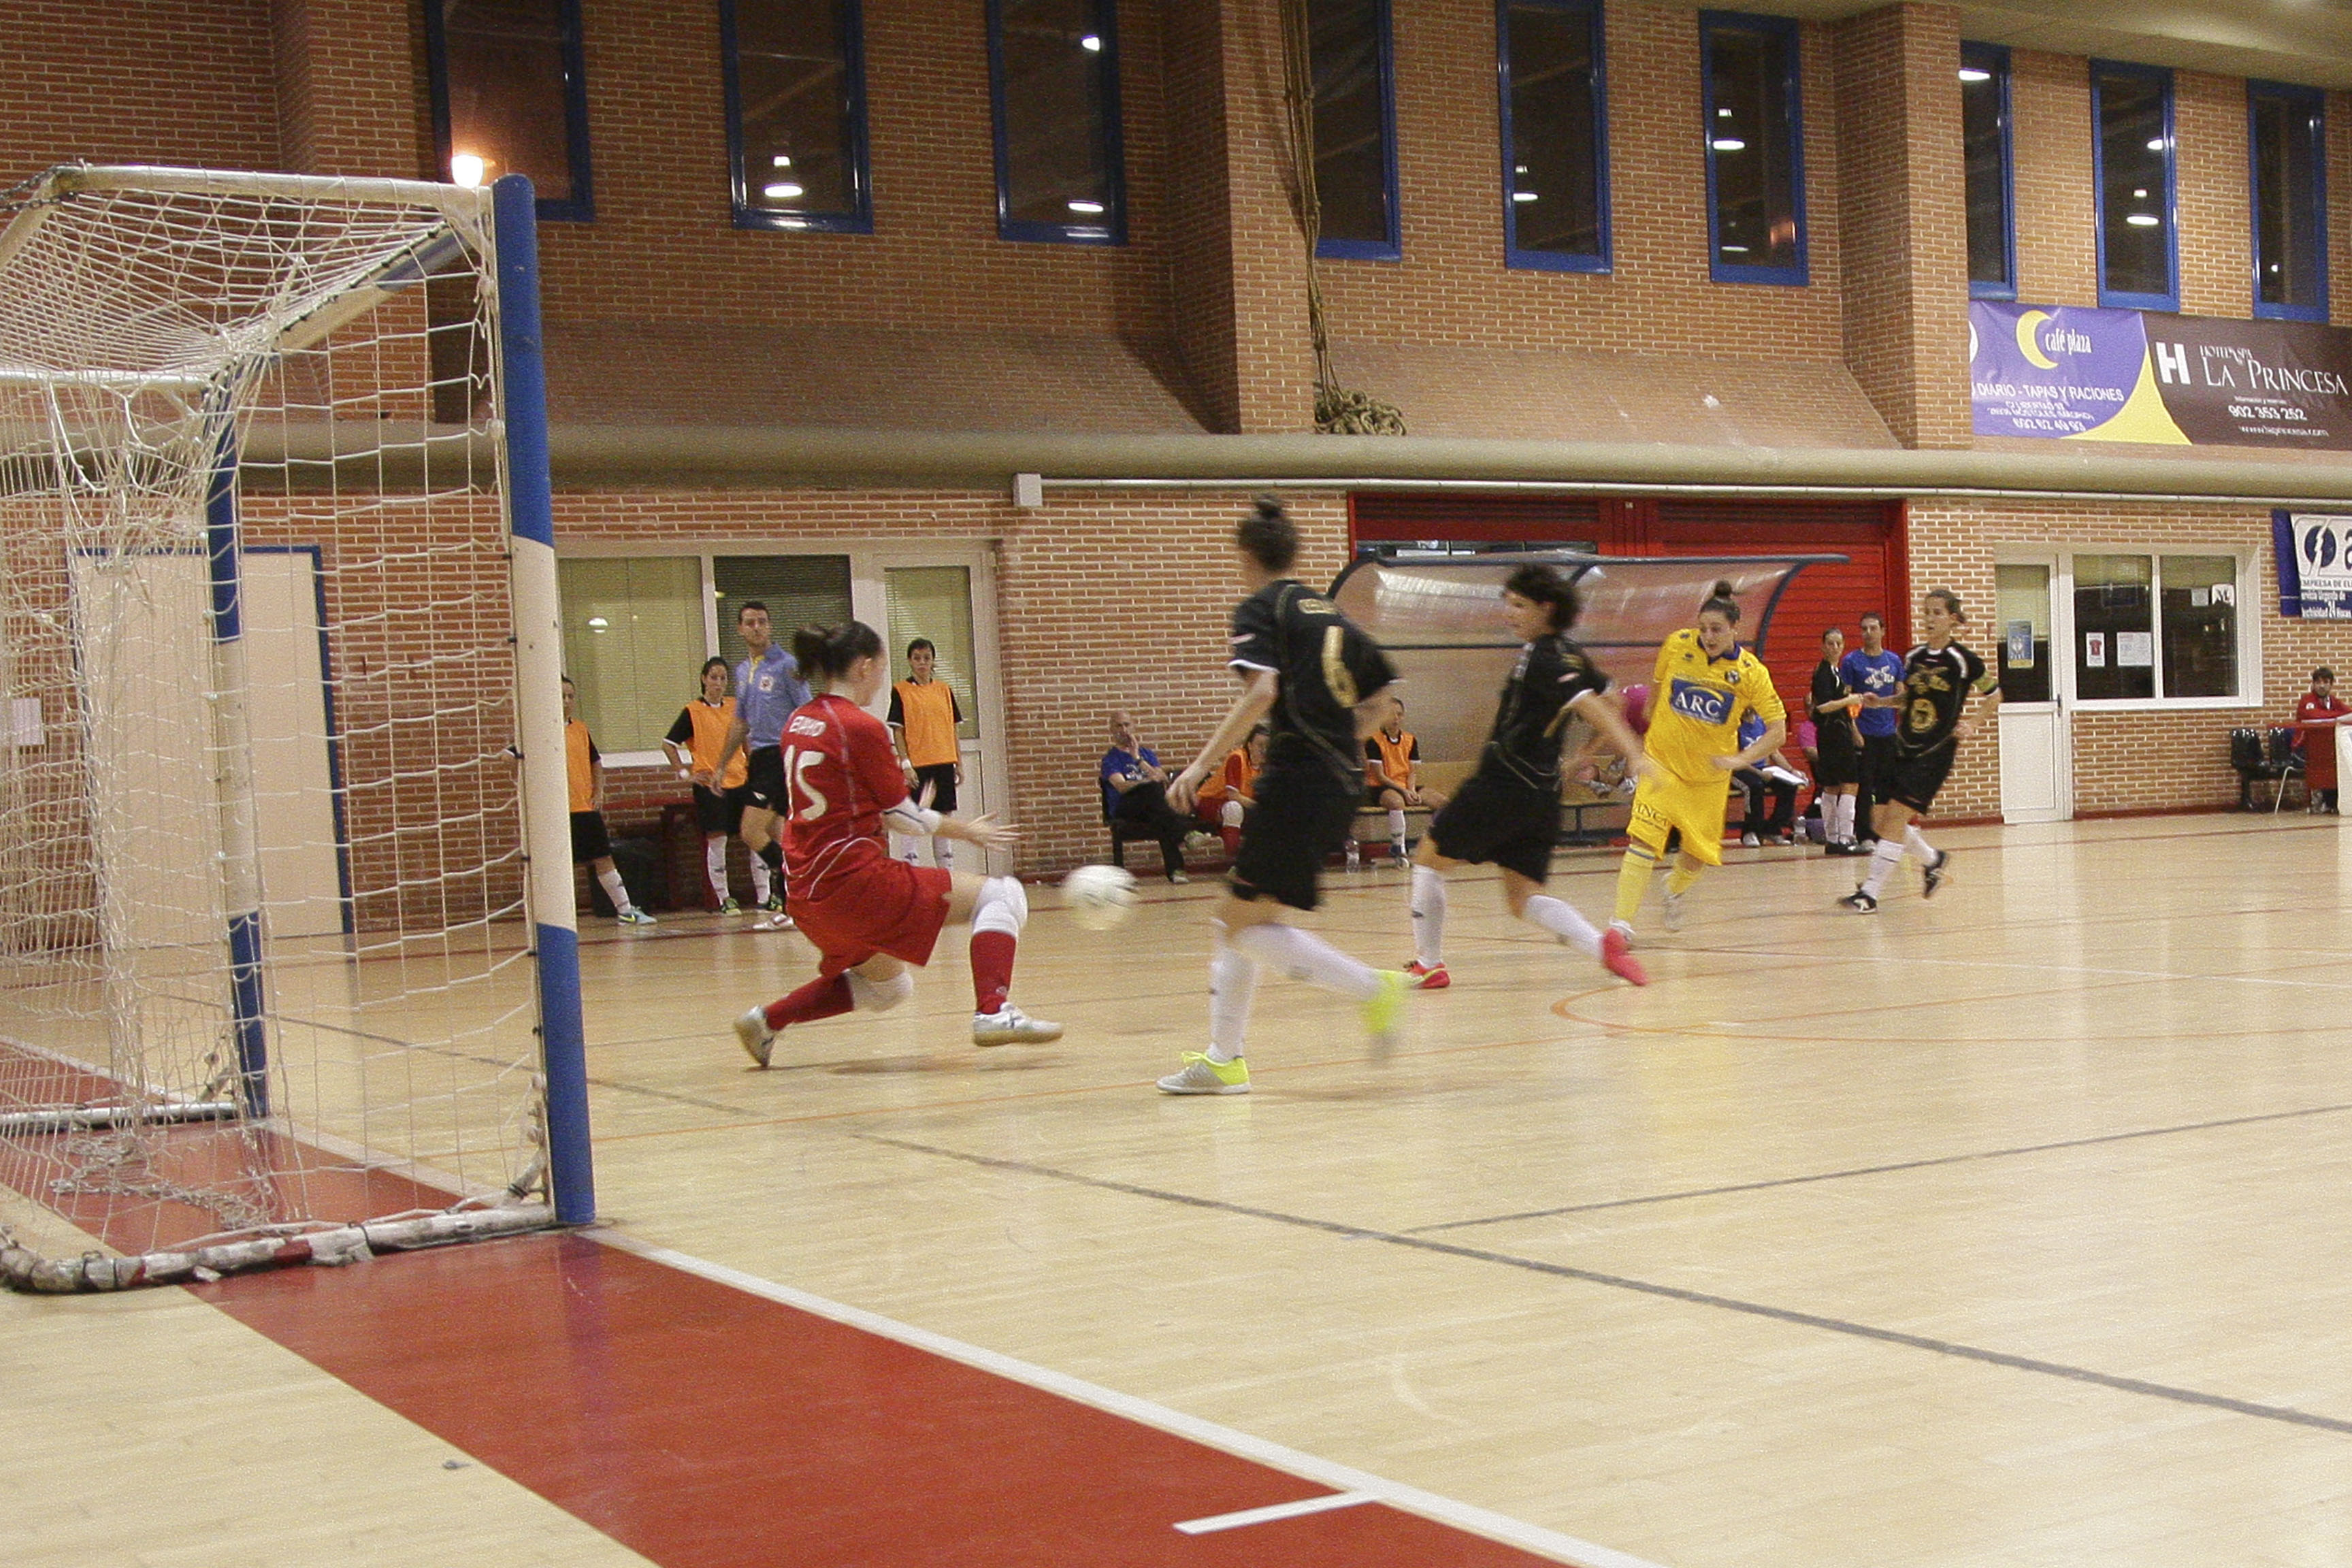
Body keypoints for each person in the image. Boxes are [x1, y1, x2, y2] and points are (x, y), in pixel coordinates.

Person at [1160, 497, 1406, 1095]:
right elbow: (1382, 702)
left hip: (1299, 780)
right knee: (1244, 916)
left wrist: (1200, 765)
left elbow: (1261, 692)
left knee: (1237, 922)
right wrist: (1338, 741)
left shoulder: (1261, 608)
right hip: (1339, 779)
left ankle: (1371, 989)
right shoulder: (1331, 615)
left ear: (1246, 557)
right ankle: (1225, 1060)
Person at [732, 621, 1060, 1064]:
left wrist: (897, 808)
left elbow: (864, 806)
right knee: (1003, 894)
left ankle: (766, 1021)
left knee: (889, 988)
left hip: (806, 893)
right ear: (865, 667)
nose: (880, 681)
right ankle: (993, 1010)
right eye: (882, 669)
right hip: (853, 882)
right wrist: (966, 830)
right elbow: (904, 818)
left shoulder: (799, 721)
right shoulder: (858, 725)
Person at [1405, 564, 1654, 991]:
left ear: (1547, 608)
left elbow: (1594, 708)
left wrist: (1633, 753)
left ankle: (1429, 965)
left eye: (1519, 605)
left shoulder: (1546, 658)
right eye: (1508, 603)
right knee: (1523, 898)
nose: (1509, 613)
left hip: (1502, 784)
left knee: (1428, 860)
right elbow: (1614, 700)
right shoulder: (1571, 653)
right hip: (1541, 795)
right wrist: (1582, 755)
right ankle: (1603, 948)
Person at [1607, 581, 1786, 945]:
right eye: (1703, 628)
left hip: (1707, 777)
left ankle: (1673, 889)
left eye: (1717, 629)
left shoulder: (1751, 672)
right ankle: (1620, 925)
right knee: (1643, 840)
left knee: (1697, 856)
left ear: (1735, 629)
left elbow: (1778, 731)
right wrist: (1648, 725)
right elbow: (1658, 686)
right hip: (1663, 764)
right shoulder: (1677, 644)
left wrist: (1741, 758)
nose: (1708, 636)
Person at [1838, 588, 2001, 913]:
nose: (1929, 618)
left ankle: (1869, 894)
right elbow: (1909, 698)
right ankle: (1933, 859)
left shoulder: (1963, 660)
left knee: (1895, 821)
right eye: (1926, 611)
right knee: (1879, 821)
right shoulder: (1913, 657)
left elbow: (1995, 695)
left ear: (1952, 619)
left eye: (1937, 612)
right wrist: (1882, 702)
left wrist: (1972, 723)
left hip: (1934, 753)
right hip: (1903, 746)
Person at [716, 600, 811, 930]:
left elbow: (806, 710)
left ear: (769, 626)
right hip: (758, 757)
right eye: (750, 622)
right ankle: (793, 905)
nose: (756, 628)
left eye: (762, 622)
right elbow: (740, 722)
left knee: (750, 831)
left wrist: (805, 755)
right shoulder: (744, 671)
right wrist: (721, 765)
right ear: (740, 629)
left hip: (779, 755)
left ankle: (798, 888)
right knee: (778, 834)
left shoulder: (787, 666)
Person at [662, 656, 753, 913]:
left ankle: (767, 895)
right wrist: (685, 773)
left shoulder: (735, 706)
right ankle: (724, 898)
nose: (718, 683)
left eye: (723, 678)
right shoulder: (693, 711)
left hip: (740, 780)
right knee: (718, 840)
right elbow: (668, 744)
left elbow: (745, 739)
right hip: (710, 784)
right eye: (714, 677)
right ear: (704, 679)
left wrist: (751, 765)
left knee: (753, 834)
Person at [564, 676, 655, 927]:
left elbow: (596, 762)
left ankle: (625, 911)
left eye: (571, 696)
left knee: (603, 857)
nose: (567, 701)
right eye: (562, 696)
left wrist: (599, 792)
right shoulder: (540, 731)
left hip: (584, 807)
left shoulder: (580, 729)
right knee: (558, 864)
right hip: (557, 813)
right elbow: (509, 755)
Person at [887, 637, 965, 868]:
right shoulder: (901, 691)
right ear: (910, 661)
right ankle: (909, 869)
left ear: (933, 661)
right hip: (918, 764)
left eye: (927, 658)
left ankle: (946, 872)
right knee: (913, 817)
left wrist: (958, 763)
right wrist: (906, 764)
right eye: (917, 658)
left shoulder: (944, 690)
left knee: (942, 818)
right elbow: (898, 731)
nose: (922, 663)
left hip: (944, 761)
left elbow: (953, 728)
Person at [1100, 711, 1200, 884]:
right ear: (1112, 730)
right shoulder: (1111, 759)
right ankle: (1185, 833)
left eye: (1127, 725)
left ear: (1133, 726)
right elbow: (1121, 786)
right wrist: (1146, 781)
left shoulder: (1146, 754)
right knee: (1153, 792)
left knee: (1161, 816)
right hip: (1126, 807)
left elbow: (1162, 779)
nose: (1124, 730)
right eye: (1119, 726)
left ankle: (1176, 872)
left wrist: (1138, 759)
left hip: (1151, 806)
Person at [1840, 611, 1906, 847]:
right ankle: (1865, 835)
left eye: (1873, 628)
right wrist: (1854, 729)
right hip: (1864, 733)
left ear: (1882, 631)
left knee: (1888, 784)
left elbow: (1901, 695)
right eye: (1864, 629)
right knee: (1865, 786)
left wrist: (1902, 727)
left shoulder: (1894, 661)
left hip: (1888, 733)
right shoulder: (1851, 661)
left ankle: (1885, 832)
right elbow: (1847, 699)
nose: (1868, 633)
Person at [1364, 696, 1447, 868]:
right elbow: (1380, 775)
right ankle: (1398, 848)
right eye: (1391, 714)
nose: (1396, 718)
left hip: (1404, 785)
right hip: (1382, 786)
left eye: (1399, 714)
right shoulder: (1374, 740)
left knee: (1441, 801)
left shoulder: (1410, 740)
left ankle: (1438, 843)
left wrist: (1412, 790)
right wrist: (1404, 792)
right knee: (1396, 802)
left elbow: (1412, 771)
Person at [1810, 626, 1866, 853]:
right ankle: (1845, 839)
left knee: (1832, 786)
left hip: (1835, 733)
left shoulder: (1836, 672)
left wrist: (1854, 730)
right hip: (1833, 734)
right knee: (1850, 784)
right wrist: (1848, 700)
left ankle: (1832, 839)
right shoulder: (1824, 673)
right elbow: (1822, 707)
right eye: (1830, 643)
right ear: (1823, 646)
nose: (1834, 648)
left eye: (1839, 644)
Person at [1731, 710, 1806, 847]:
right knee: (1755, 786)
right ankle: (1751, 831)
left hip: (1762, 769)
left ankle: (1773, 828)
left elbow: (1774, 753)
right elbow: (1735, 759)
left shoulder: (1762, 722)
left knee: (1789, 786)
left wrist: (1792, 771)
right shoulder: (1734, 725)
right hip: (1739, 770)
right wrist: (1759, 774)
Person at [1198, 725, 1268, 860]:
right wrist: (1261, 807)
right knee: (1233, 809)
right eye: (1260, 745)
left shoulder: (1264, 767)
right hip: (1209, 801)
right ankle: (1233, 861)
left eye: (1268, 746)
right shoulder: (1237, 758)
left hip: (1239, 803)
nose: (1264, 750)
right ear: (1250, 745)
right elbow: (1233, 796)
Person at [2293, 667, 2347, 813]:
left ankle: (2334, 802)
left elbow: (2348, 713)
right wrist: (2337, 716)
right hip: (2303, 749)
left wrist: (2336, 716)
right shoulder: (2306, 701)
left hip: (2327, 749)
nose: (2322, 686)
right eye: (2318, 682)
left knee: (2339, 759)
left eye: (2325, 682)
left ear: (2331, 684)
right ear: (2313, 684)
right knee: (2322, 760)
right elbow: (2314, 716)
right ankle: (2319, 801)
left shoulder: (2334, 701)